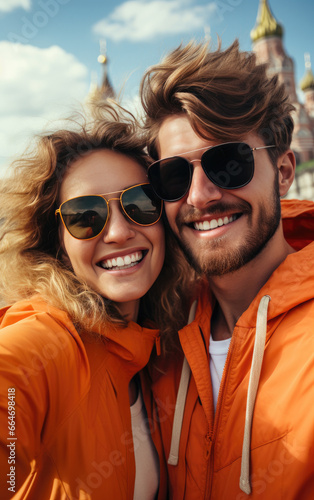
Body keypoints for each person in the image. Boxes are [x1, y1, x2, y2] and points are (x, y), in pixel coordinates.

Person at [139, 40, 314, 499]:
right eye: (174, 177)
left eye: (228, 163)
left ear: (282, 170)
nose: (199, 196)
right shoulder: (157, 339)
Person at [0, 102, 190, 499]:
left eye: (140, 204)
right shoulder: (47, 345)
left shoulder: (156, 349)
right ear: (57, 241)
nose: (119, 232)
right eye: (86, 215)